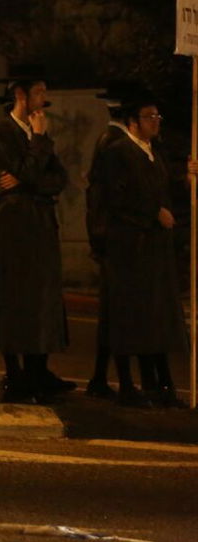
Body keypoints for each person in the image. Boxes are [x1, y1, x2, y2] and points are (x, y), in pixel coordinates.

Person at [0, 65, 70, 403]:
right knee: (14, 299)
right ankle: (16, 373)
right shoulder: (0, 131)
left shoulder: (40, 135)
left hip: (41, 224)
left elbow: (57, 179)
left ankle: (38, 369)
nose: (44, 100)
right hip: (14, 227)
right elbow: (28, 173)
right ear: (20, 95)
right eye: (39, 92)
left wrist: (31, 171)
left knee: (43, 299)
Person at [94, 90, 193, 408]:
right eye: (149, 117)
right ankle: (125, 384)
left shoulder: (153, 152)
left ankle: (159, 384)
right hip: (129, 247)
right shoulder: (118, 151)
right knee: (128, 316)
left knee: (154, 317)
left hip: (153, 248)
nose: (155, 123)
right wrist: (152, 212)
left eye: (157, 117)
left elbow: (161, 189)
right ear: (133, 121)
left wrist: (185, 180)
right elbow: (116, 197)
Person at [83, 81, 143, 399]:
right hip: (113, 242)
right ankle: (121, 380)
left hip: (106, 240)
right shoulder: (116, 145)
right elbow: (104, 198)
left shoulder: (107, 140)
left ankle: (99, 377)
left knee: (111, 315)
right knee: (118, 314)